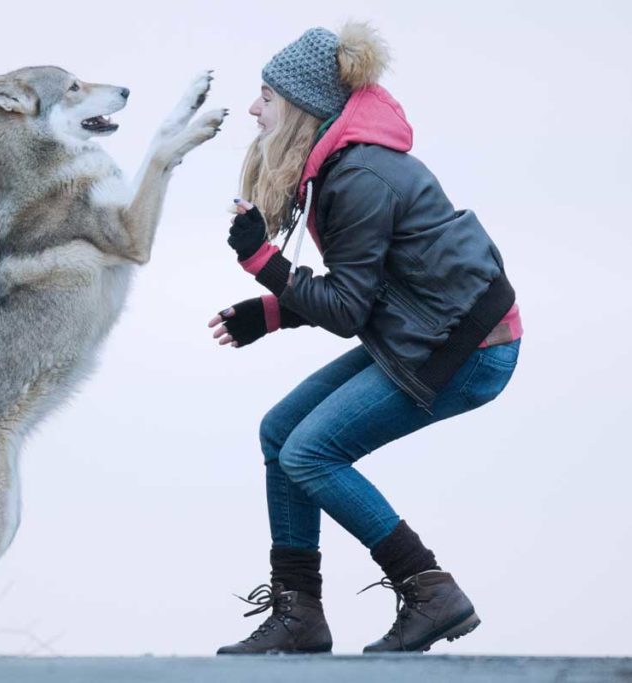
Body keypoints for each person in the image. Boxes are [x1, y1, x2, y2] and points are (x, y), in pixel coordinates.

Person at [208, 22, 523, 654]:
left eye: (266, 96)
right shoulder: (346, 165)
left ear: (302, 108)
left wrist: (263, 263)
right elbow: (373, 288)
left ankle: (430, 590)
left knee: (310, 453)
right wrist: (272, 311)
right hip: (427, 333)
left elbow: (351, 308)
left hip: (467, 351)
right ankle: (299, 614)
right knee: (280, 433)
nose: (252, 108)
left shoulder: (359, 176)